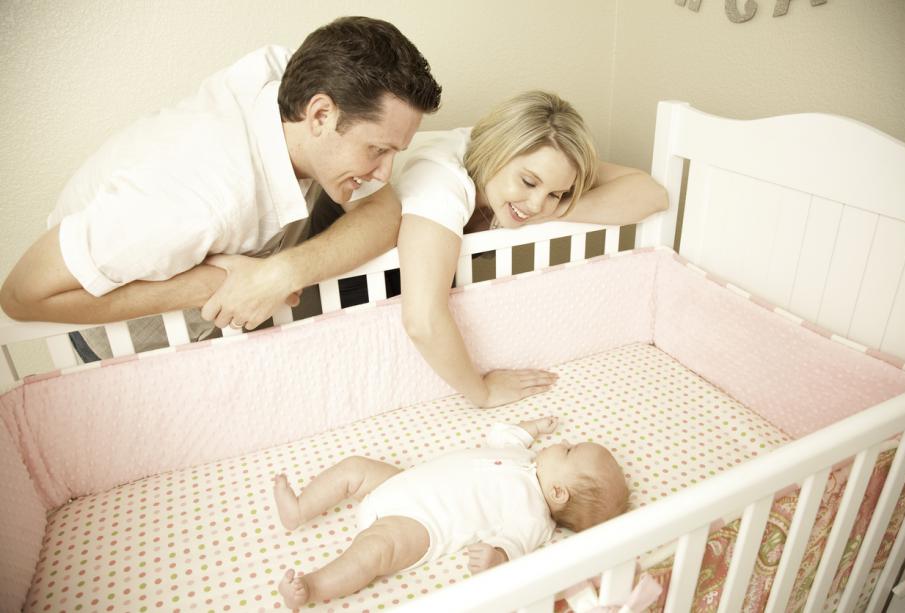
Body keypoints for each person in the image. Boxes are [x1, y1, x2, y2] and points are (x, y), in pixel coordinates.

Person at [0, 17, 441, 355]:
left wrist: (280, 272)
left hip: (210, 302)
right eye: (377, 150)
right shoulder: (192, 200)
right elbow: (20, 296)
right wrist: (210, 283)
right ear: (320, 115)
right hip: (118, 338)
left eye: (393, 152)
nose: (384, 173)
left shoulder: (297, 78)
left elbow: (384, 214)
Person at [394, 91, 668, 407]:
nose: (537, 203)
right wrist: (483, 393)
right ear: (495, 152)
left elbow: (653, 195)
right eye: (528, 182)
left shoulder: (538, 158)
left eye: (557, 193)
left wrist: (555, 210)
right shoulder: (439, 185)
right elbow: (423, 320)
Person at [272, 416, 629, 609]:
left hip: (422, 524)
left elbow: (517, 544)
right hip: (403, 482)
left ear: (558, 493)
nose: (562, 442)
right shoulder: (526, 460)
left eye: (568, 450)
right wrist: (531, 428)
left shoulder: (534, 514)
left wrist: (497, 557)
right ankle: (299, 509)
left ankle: (312, 586)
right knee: (354, 468)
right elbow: (502, 439)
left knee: (375, 551)